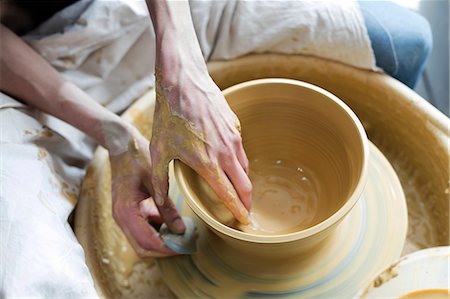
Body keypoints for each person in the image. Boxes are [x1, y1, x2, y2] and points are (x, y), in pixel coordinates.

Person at [0, 0, 431, 297]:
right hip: (32, 67)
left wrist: (181, 67)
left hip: (162, 15)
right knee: (28, 271)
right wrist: (113, 134)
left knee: (405, 42)